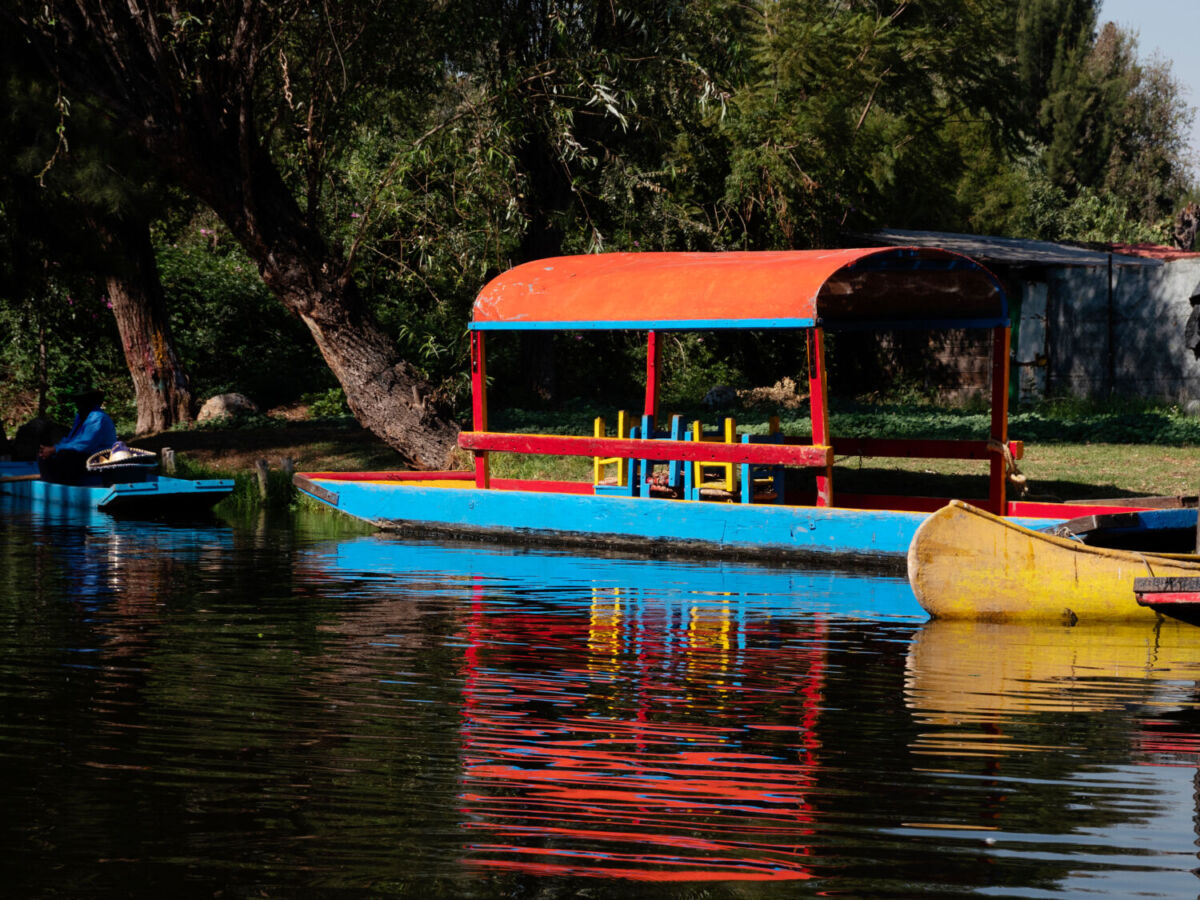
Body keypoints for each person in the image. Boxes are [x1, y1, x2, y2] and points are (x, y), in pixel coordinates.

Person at [38, 385, 118, 484]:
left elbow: (84, 445)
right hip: (86, 456)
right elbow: (72, 440)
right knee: (44, 457)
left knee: (67, 456)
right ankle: (52, 484)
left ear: (91, 401)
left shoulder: (98, 417)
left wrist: (54, 449)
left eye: (82, 400)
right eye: (78, 400)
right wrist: (52, 449)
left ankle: (65, 485)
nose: (78, 403)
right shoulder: (80, 417)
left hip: (99, 459)